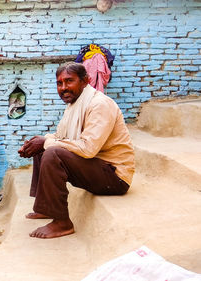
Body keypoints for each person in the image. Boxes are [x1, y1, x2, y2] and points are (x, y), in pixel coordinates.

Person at [18, 62, 134, 239]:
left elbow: (88, 149)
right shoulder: (74, 104)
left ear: (85, 81)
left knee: (51, 151)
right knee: (42, 147)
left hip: (114, 176)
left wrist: (46, 142)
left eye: (69, 81)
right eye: (59, 83)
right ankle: (46, 207)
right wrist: (36, 143)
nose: (63, 87)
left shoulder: (100, 104)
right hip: (96, 168)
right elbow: (59, 136)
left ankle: (62, 223)